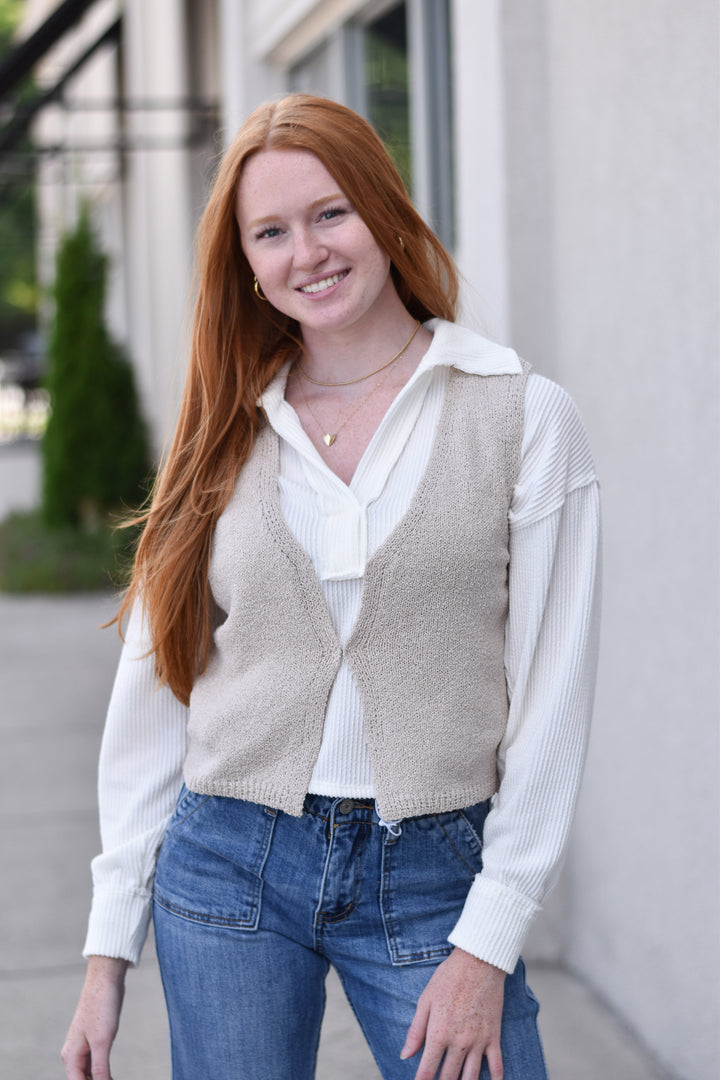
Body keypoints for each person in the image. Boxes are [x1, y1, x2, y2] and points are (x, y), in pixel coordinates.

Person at [61, 93, 600, 1080]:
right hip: (227, 860)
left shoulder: (521, 417)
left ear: (384, 212)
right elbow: (153, 691)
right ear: (248, 268)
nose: (304, 251)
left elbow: (552, 701)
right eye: (270, 232)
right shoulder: (223, 429)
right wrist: (107, 953)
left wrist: (487, 941)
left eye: (329, 213)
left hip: (435, 874)